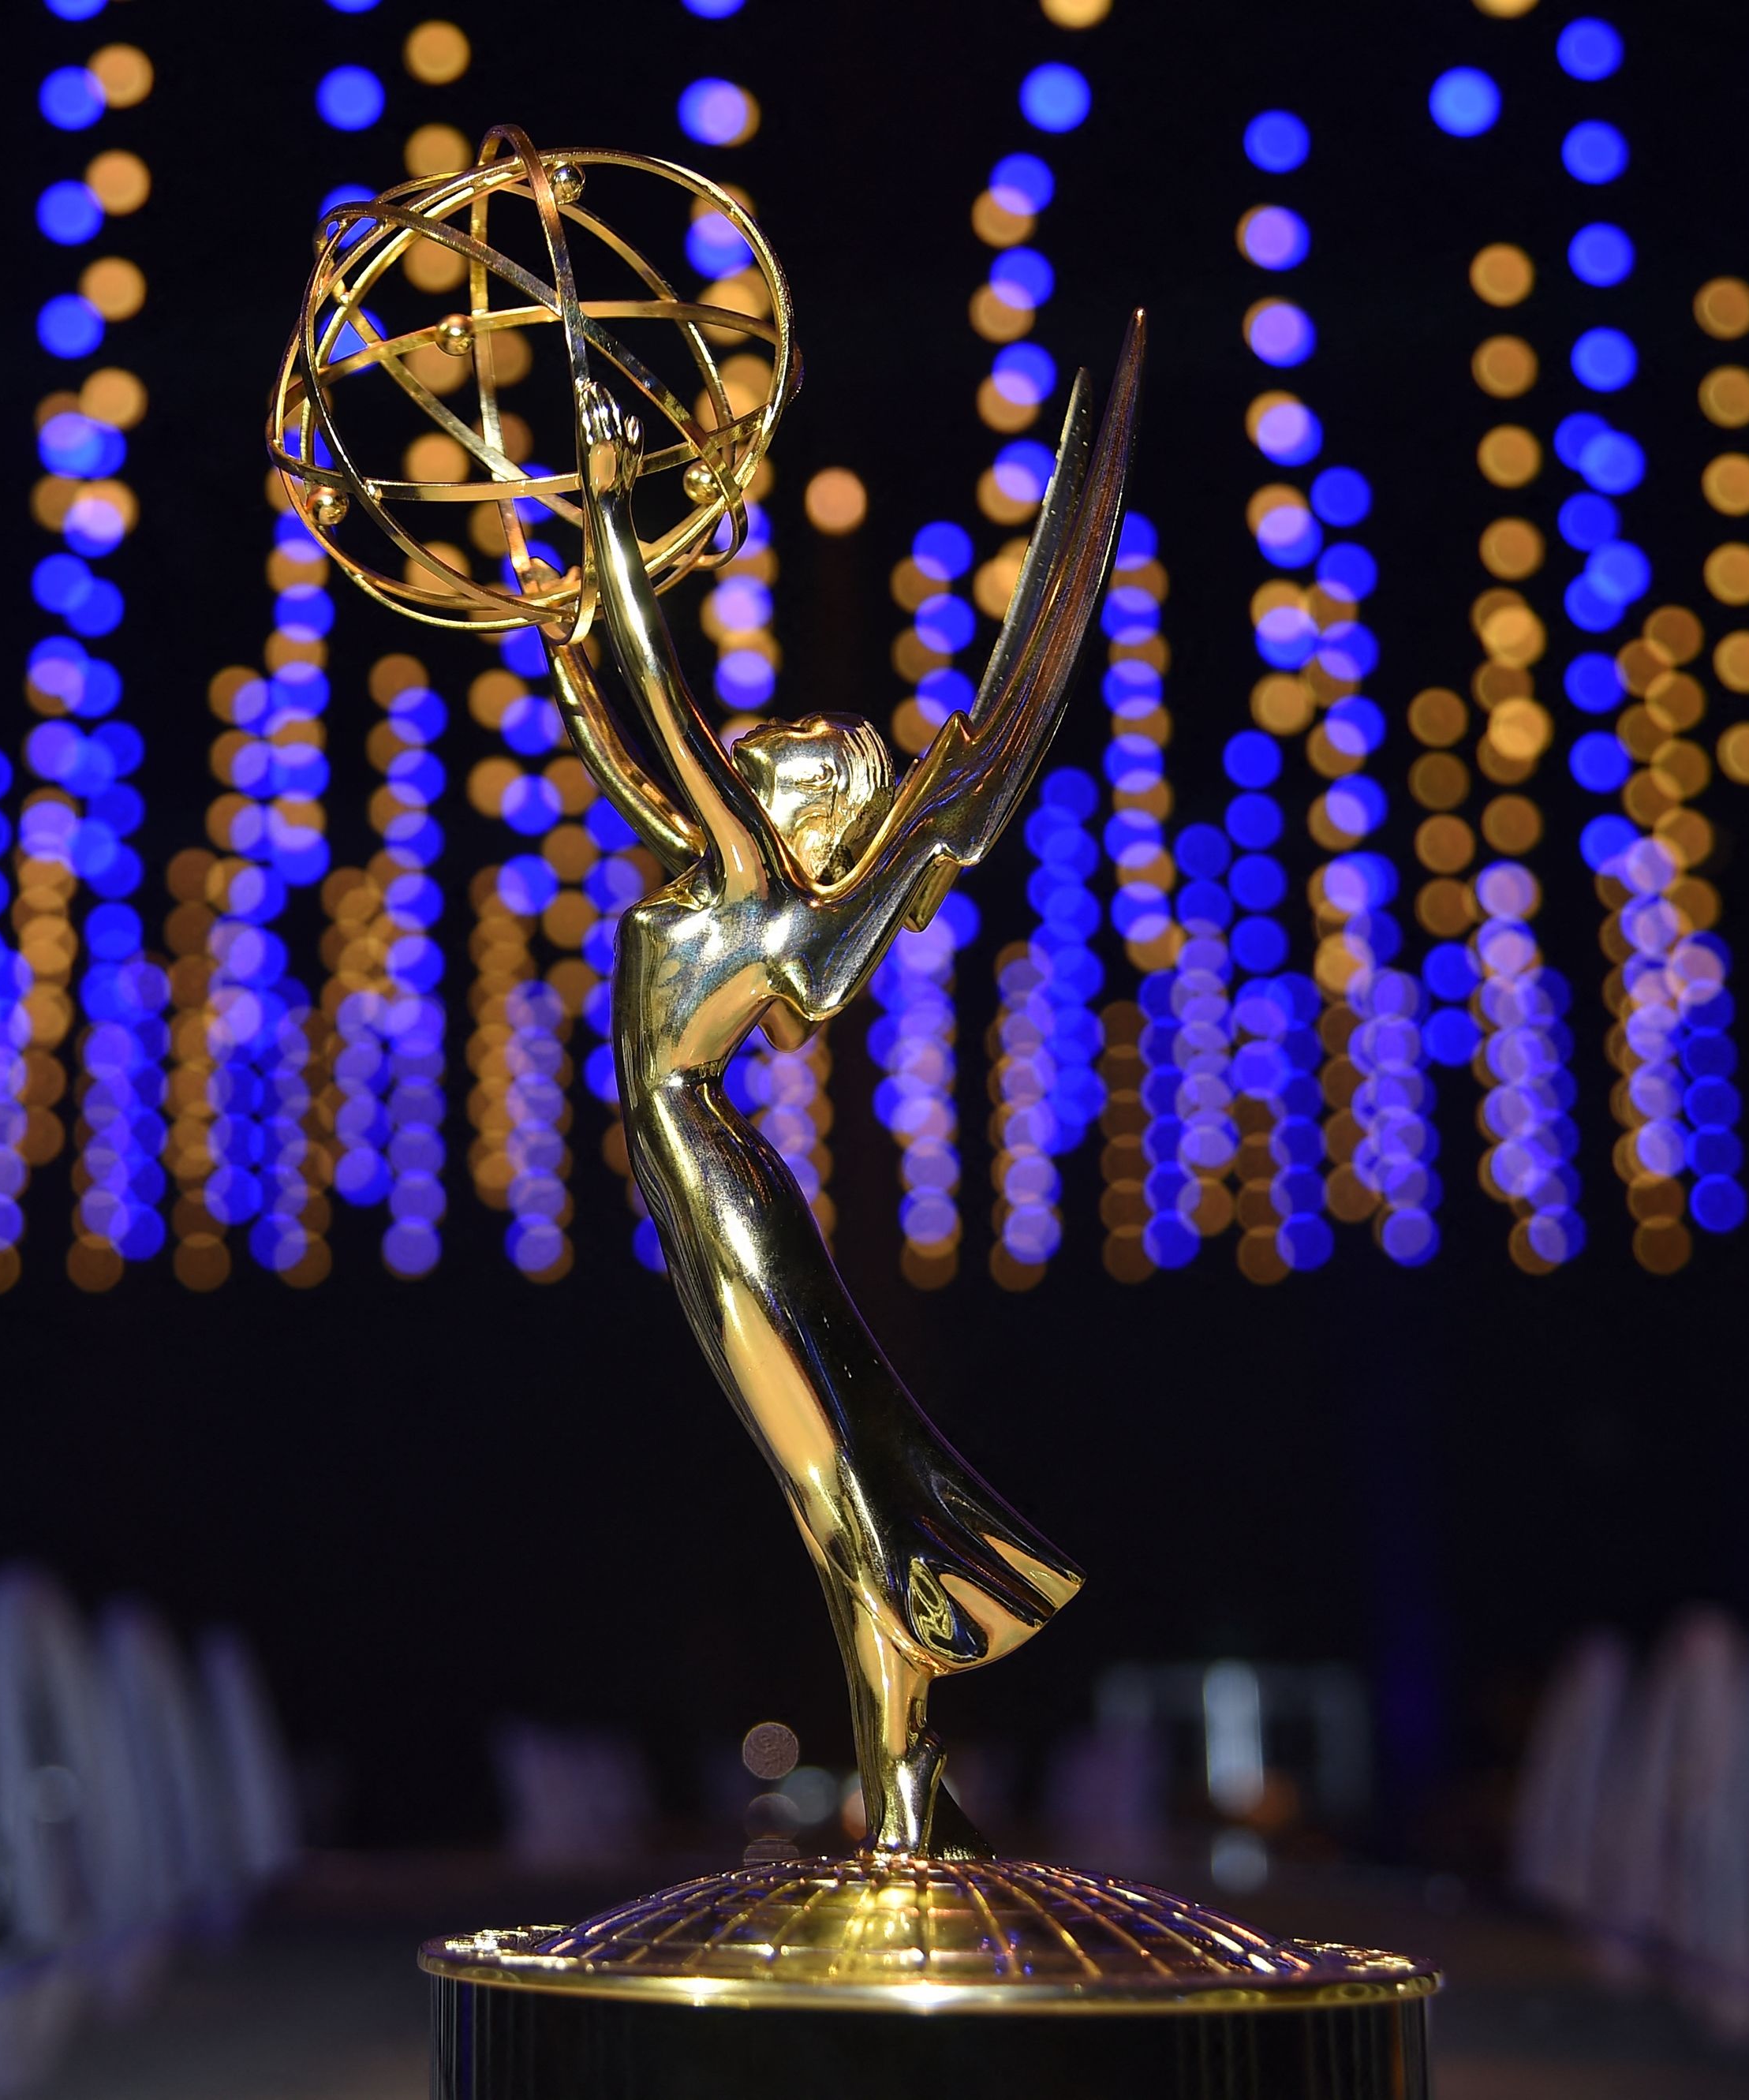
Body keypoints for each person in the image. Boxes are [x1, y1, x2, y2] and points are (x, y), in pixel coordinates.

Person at [536, 318, 1143, 1855]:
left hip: (718, 1187)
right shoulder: (708, 872)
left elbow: (659, 694)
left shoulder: (751, 877)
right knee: (836, 1502)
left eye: (793, 751)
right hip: (700, 1185)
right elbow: (618, 719)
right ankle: (901, 1785)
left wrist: (610, 506)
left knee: (842, 1503)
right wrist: (563, 625)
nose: (773, 742)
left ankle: (901, 1785)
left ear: (796, 809)